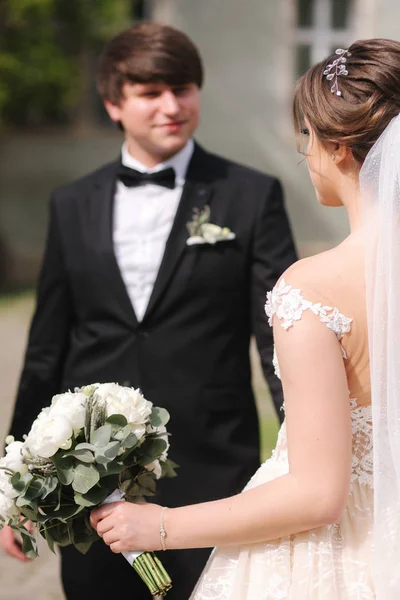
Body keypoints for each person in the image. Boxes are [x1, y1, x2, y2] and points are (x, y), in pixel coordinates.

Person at [91, 38, 400, 599]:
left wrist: (160, 527)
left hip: (337, 560)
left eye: (307, 136)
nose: (303, 154)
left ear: (342, 150)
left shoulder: (312, 290)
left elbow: (317, 495)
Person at [0, 22, 297, 600]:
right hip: (87, 480)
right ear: (114, 103)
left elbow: (278, 333)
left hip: (214, 462)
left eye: (183, 88)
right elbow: (47, 346)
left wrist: (299, 450)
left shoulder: (250, 194)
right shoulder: (71, 204)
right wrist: (16, 490)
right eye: (150, 92)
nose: (172, 106)